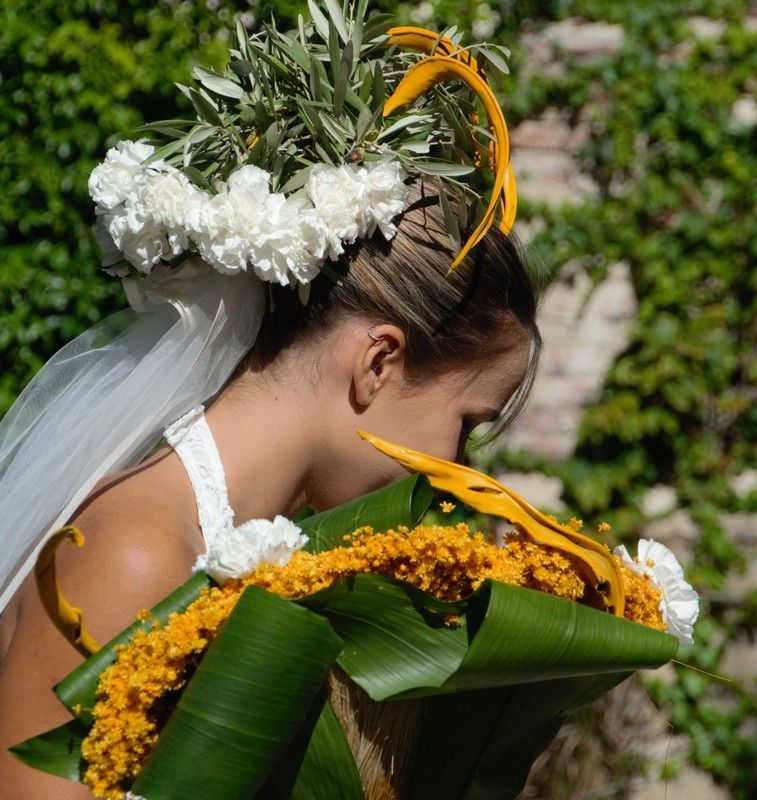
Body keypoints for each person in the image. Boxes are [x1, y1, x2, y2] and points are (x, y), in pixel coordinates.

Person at [0, 6, 544, 796]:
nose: (459, 470)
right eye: (468, 424)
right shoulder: (131, 552)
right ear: (379, 362)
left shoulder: (288, 552)